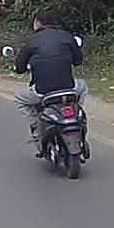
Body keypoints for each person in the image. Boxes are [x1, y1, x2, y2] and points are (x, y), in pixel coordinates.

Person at [13, 10, 87, 153]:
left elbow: (20, 67)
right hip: (68, 87)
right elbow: (78, 61)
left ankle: (36, 128)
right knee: (82, 86)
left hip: (43, 91)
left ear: (37, 23)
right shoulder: (67, 36)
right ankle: (76, 113)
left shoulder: (31, 41)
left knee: (19, 98)